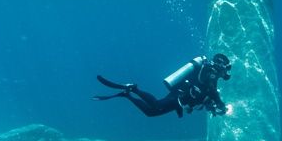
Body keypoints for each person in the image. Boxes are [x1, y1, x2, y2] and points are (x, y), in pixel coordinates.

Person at [94, 53, 230, 118]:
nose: (226, 72)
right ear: (221, 64)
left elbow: (206, 95)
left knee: (151, 112)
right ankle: (134, 88)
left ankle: (127, 94)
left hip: (182, 98)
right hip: (180, 95)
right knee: (157, 106)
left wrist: (212, 106)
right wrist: (221, 105)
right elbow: (212, 91)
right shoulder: (211, 72)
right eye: (226, 68)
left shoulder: (210, 74)